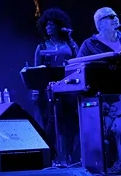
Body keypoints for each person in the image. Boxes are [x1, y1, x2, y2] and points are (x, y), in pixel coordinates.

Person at [32, 8, 80, 163]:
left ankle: (70, 155)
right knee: (51, 121)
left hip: (68, 89)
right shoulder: (42, 46)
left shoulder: (70, 44)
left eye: (52, 25)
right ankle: (50, 155)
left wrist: (71, 38)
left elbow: (77, 62)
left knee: (70, 122)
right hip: (49, 90)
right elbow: (36, 70)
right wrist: (35, 91)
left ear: (59, 26)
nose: (49, 27)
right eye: (47, 25)